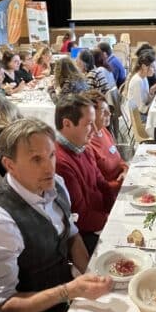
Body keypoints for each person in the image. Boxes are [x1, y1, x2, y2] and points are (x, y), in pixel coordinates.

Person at [0, 119, 112, 312]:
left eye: (51, 156)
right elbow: (1, 306)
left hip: (66, 294)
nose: (49, 168)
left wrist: (91, 274)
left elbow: (72, 235)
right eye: (36, 159)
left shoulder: (55, 184)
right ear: (10, 164)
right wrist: (68, 291)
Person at [54, 95, 115, 253]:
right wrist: (113, 219)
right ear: (67, 124)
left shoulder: (84, 147)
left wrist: (115, 209)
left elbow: (102, 185)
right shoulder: (60, 163)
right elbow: (80, 218)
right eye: (89, 124)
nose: (95, 130)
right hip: (86, 235)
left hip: (101, 219)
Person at [85, 89, 127, 191]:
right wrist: (121, 183)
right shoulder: (87, 145)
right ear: (91, 114)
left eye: (108, 109)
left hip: (122, 185)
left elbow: (118, 159)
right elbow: (98, 186)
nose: (109, 114)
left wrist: (125, 170)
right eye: (104, 111)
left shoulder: (103, 130)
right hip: (112, 195)